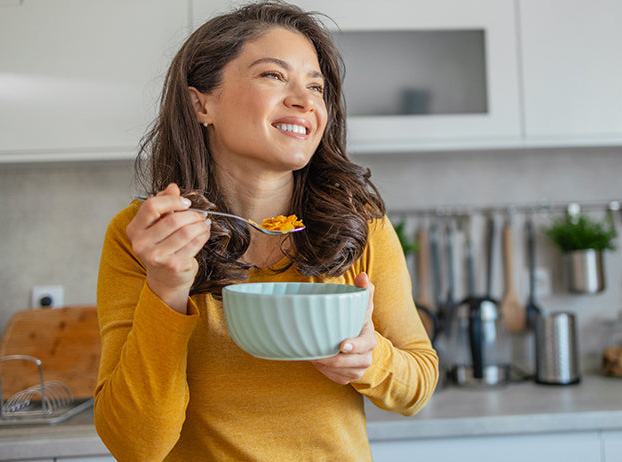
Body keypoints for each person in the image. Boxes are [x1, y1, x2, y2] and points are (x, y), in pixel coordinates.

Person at [94, 1, 438, 460]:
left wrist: (370, 358)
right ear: (202, 103)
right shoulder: (144, 236)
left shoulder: (360, 224)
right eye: (273, 76)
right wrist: (166, 291)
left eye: (316, 86)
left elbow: (419, 383)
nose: (305, 100)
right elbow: (135, 446)